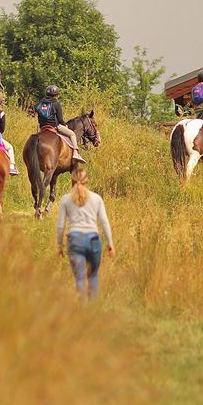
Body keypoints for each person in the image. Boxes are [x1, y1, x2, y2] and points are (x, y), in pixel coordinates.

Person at [57, 167, 115, 300]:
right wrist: (110, 244)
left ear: (72, 181)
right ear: (87, 181)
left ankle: (82, 312)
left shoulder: (66, 200)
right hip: (93, 240)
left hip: (75, 240)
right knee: (93, 276)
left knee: (80, 277)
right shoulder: (96, 198)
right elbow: (104, 222)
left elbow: (61, 225)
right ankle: (93, 310)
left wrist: (59, 245)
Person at [36, 86, 85, 163]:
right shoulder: (56, 103)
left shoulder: (40, 103)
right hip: (55, 126)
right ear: (56, 95)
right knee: (72, 134)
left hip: (42, 128)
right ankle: (75, 153)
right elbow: (60, 119)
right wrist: (65, 125)